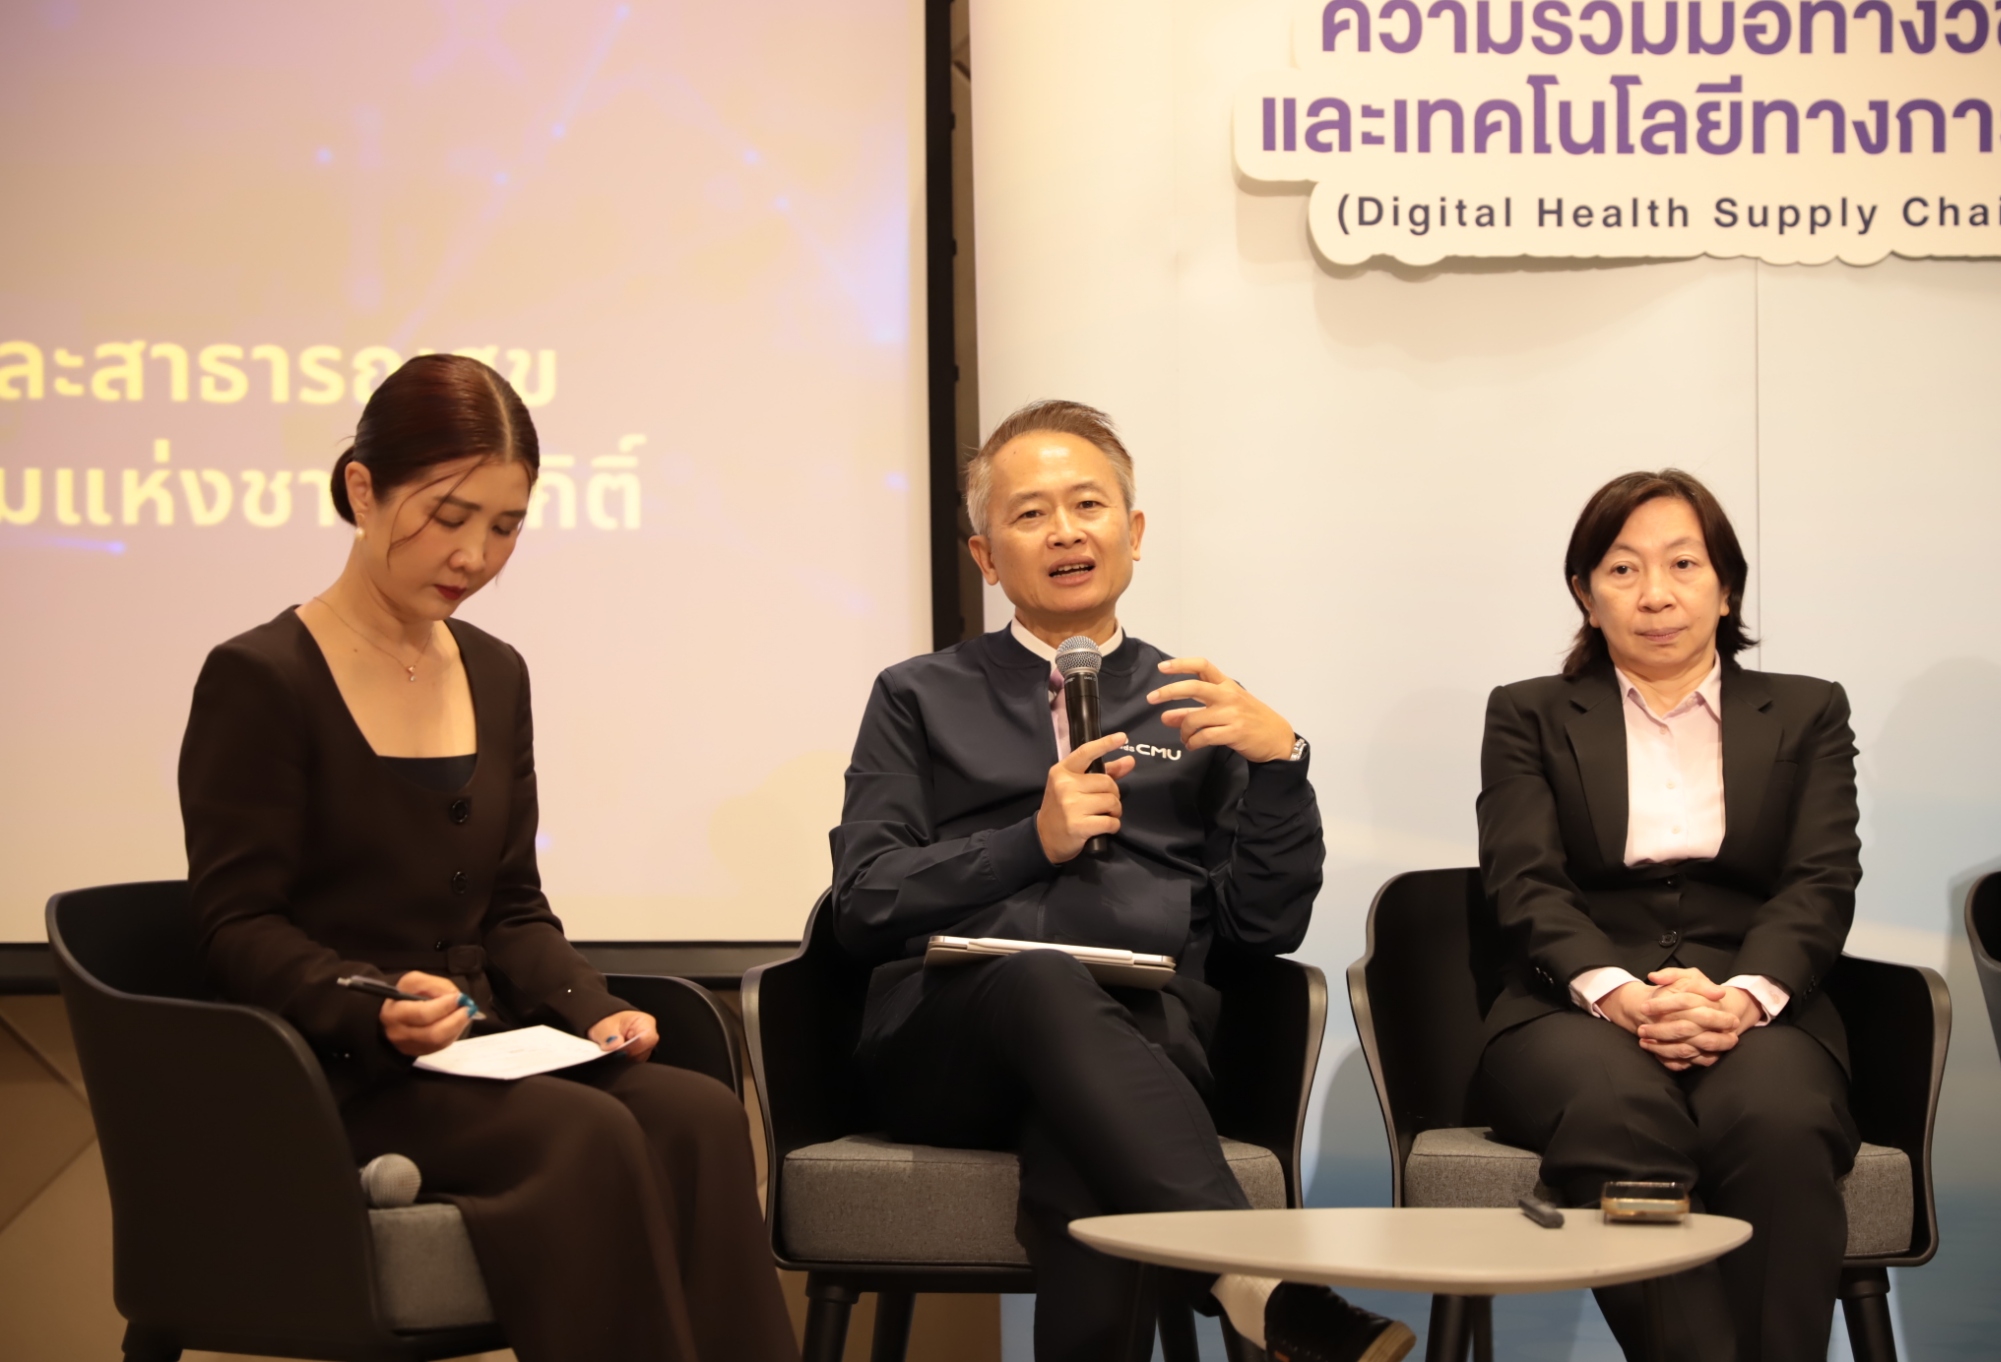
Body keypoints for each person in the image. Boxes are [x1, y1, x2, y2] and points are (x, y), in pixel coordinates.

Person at [177, 355, 798, 1362]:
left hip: (484, 1052)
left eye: (505, 526)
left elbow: (511, 907)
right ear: (362, 490)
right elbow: (235, 925)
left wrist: (593, 1008)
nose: (473, 554)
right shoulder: (262, 677)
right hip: (341, 1073)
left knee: (694, 1112)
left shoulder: (495, 672)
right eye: (448, 515)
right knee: (587, 1134)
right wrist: (373, 1006)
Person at [831, 399, 1412, 1362]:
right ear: (985, 556)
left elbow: (1262, 927)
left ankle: (1255, 1289)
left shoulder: (1195, 702)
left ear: (1133, 533)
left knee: (1083, 1144)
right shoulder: (917, 695)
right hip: (949, 1040)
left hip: (1143, 1032)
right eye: (1029, 514)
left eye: (1088, 505)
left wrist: (1282, 765)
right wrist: (1032, 841)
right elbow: (865, 898)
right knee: (1041, 977)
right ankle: (1251, 1276)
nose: (1065, 531)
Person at [1475, 470, 1860, 1362]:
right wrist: (1619, 995)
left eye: (1684, 564)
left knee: (1779, 1118)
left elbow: (1821, 879)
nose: (1656, 594)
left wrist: (1742, 999)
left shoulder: (1807, 710)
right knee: (1618, 1112)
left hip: (1755, 1003)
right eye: (1623, 569)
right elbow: (1524, 880)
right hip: (1572, 1006)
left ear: (1726, 589)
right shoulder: (1529, 713)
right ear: (1586, 593)